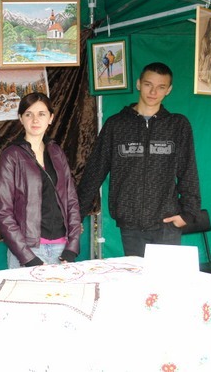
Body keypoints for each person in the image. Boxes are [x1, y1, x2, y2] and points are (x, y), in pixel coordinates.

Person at [77, 62, 201, 257]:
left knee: (165, 276)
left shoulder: (178, 125)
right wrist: (76, 215)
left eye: (161, 87)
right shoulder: (116, 125)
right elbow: (95, 170)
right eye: (148, 84)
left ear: (168, 90)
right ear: (138, 84)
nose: (153, 92)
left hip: (167, 223)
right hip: (130, 224)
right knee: (137, 276)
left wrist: (188, 214)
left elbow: (188, 171)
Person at [0, 92, 81, 268]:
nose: (35, 120)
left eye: (41, 114)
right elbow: (4, 213)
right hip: (28, 250)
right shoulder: (11, 156)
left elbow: (71, 201)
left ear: (51, 118)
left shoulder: (57, 152)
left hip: (62, 249)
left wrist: (72, 247)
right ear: (21, 118)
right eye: (29, 114)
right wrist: (28, 257)